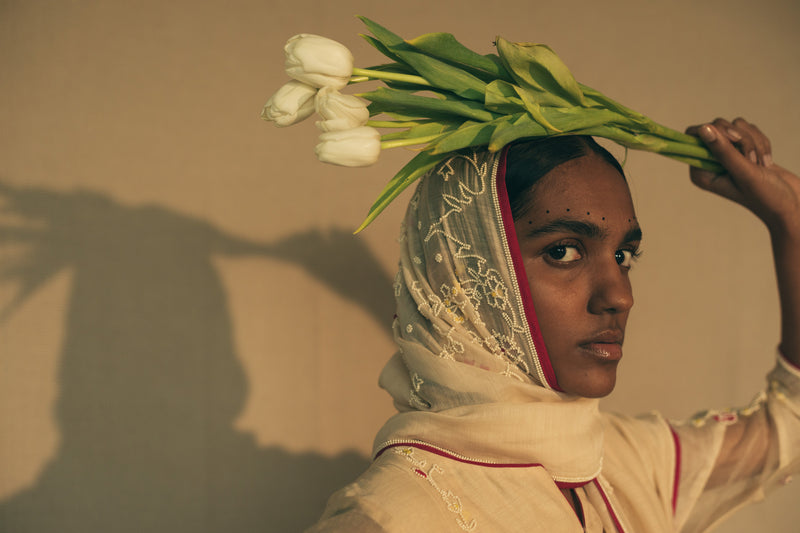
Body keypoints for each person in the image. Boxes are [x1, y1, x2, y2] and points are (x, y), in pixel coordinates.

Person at [305, 118, 800, 532]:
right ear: (459, 274)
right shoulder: (394, 517)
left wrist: (792, 222)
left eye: (624, 255)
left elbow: (788, 424)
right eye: (563, 251)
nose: (620, 297)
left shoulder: (624, 463)